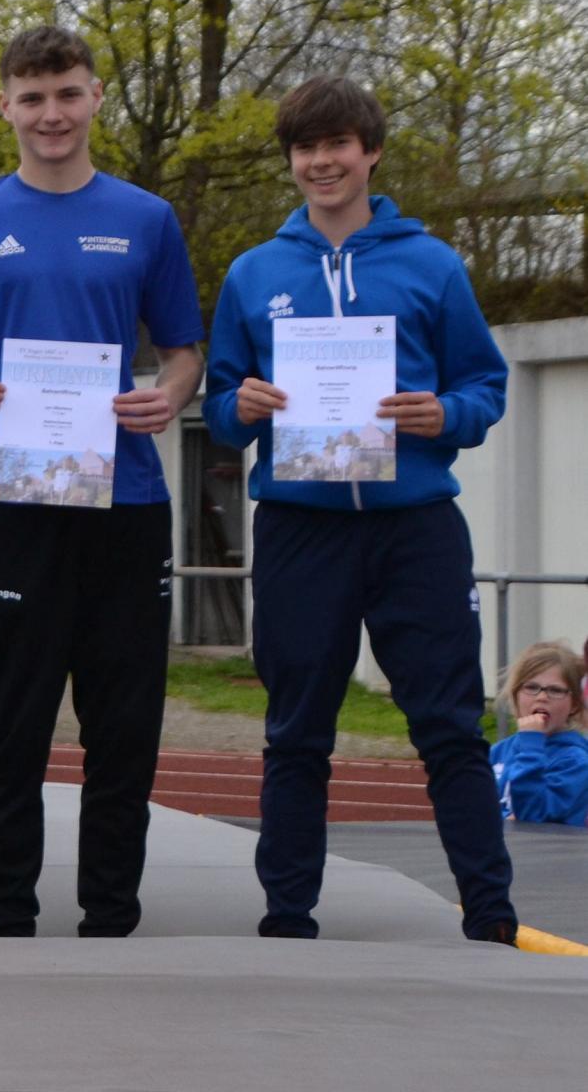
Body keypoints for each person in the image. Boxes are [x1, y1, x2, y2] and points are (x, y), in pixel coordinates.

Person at [204, 74, 518, 942]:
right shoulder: (254, 273)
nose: (322, 162)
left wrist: (444, 414)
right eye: (305, 148)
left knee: (449, 726)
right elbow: (222, 405)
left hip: (416, 529)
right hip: (301, 530)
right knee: (296, 730)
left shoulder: (432, 264)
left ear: (370, 152)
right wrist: (241, 407)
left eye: (337, 144)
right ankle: (287, 917)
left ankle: (491, 916)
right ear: (291, 161)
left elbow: (484, 386)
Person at [0, 25, 204, 939]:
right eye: (33, 98)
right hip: (13, 502)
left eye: (68, 93)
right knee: (14, 718)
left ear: (96, 97)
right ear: (5, 106)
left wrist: (170, 395)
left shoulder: (148, 218)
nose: (52, 114)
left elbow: (184, 352)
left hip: (126, 504)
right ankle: (5, 916)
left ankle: (112, 914)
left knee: (123, 723)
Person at [490, 642, 587, 826]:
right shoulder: (498, 752)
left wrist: (531, 746)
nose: (542, 697)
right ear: (515, 695)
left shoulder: (576, 761)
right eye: (531, 687)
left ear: (574, 704)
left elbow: (533, 817)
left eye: (555, 690)